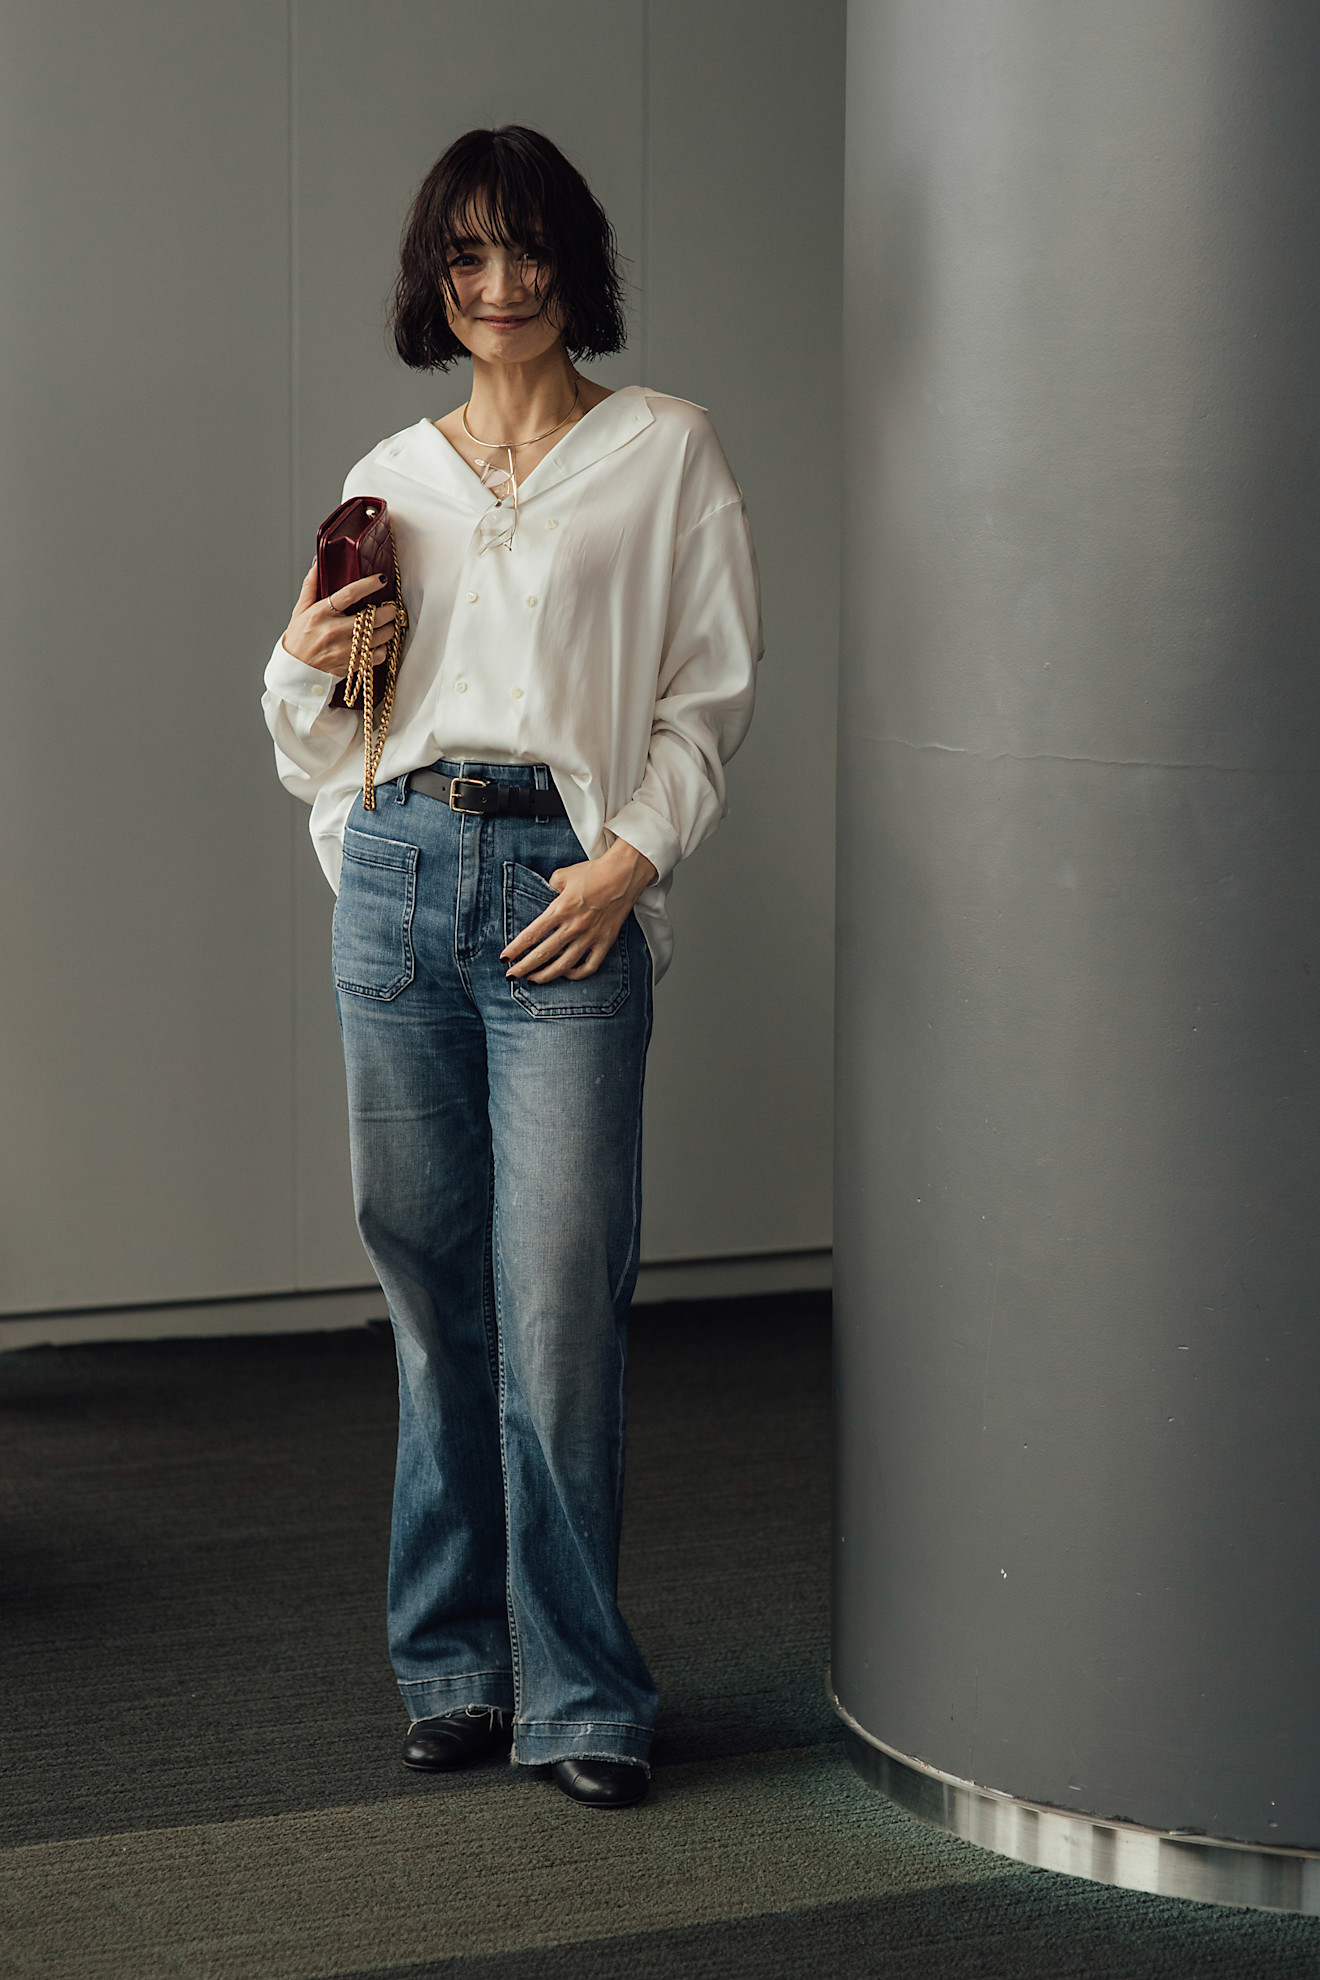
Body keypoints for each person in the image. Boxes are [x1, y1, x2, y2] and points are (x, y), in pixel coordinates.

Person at [262, 125, 760, 1809]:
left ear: (574, 261)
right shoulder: (386, 473)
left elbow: (705, 692)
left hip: (567, 884)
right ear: (435, 277)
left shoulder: (664, 450)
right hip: (401, 875)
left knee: (557, 1311)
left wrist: (628, 860)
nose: (500, 286)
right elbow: (327, 724)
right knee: (426, 1299)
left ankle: (584, 1691)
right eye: (467, 257)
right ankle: (456, 1667)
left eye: (528, 250)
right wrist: (311, 689)